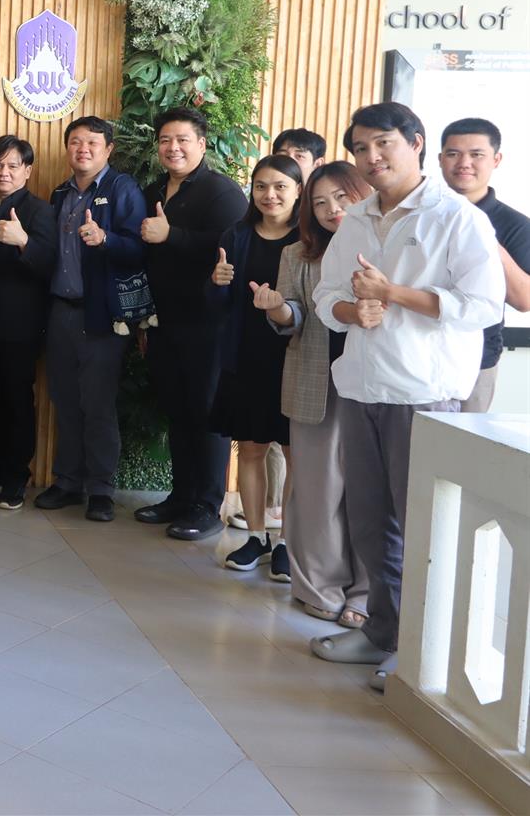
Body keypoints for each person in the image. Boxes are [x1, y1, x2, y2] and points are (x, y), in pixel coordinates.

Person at [309, 102, 504, 692]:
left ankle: (421, 654)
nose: (372, 158)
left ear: (416, 143)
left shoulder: (457, 218)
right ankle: (382, 633)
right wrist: (353, 309)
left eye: (384, 144)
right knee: (370, 522)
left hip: (424, 393)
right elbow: (327, 296)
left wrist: (392, 293)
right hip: (362, 386)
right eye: (361, 148)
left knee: (422, 525)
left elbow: (482, 305)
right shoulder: (358, 217)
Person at [135, 107, 249, 540]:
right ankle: (180, 496)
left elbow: (232, 245)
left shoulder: (221, 192)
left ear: (201, 144)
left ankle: (206, 505)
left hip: (209, 325)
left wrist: (173, 236)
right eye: (165, 140)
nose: (173, 148)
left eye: (182, 139)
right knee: (178, 412)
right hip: (165, 322)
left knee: (206, 413)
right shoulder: (153, 190)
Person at [267, 162, 372, 626]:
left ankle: (366, 595)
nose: (332, 209)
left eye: (342, 198)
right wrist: (279, 310)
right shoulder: (297, 253)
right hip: (315, 379)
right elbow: (293, 311)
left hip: (373, 383)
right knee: (317, 491)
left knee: (369, 491)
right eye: (321, 202)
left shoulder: (383, 246)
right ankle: (319, 588)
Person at [40, 117, 147, 523]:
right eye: (75, 142)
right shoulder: (60, 193)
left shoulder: (122, 188)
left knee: (98, 404)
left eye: (92, 143)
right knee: (65, 401)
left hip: (101, 316)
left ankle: (100, 490)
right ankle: (68, 481)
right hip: (60, 311)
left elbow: (139, 248)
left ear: (108, 149)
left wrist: (106, 240)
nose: (82, 149)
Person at [210, 155, 303, 578]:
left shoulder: (310, 239)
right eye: (261, 186)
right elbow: (220, 304)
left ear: (298, 191)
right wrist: (217, 283)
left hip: (295, 357)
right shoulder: (237, 234)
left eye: (281, 186)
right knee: (250, 448)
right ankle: (256, 537)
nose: (270, 195)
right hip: (246, 355)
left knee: (295, 452)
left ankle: (287, 542)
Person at [0, 135, 58, 510]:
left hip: (19, 324)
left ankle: (15, 476)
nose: (3, 172)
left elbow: (50, 266)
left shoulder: (41, 211)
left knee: (16, 398)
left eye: (12, 165)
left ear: (27, 171)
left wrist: (24, 241)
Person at [438, 118, 530, 412]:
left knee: (461, 442)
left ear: (496, 160)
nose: (464, 163)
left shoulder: (515, 225)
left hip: (477, 362)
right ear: (440, 159)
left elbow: (524, 300)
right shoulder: (424, 212)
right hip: (416, 356)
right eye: (453, 154)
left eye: (476, 154)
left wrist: (483, 235)